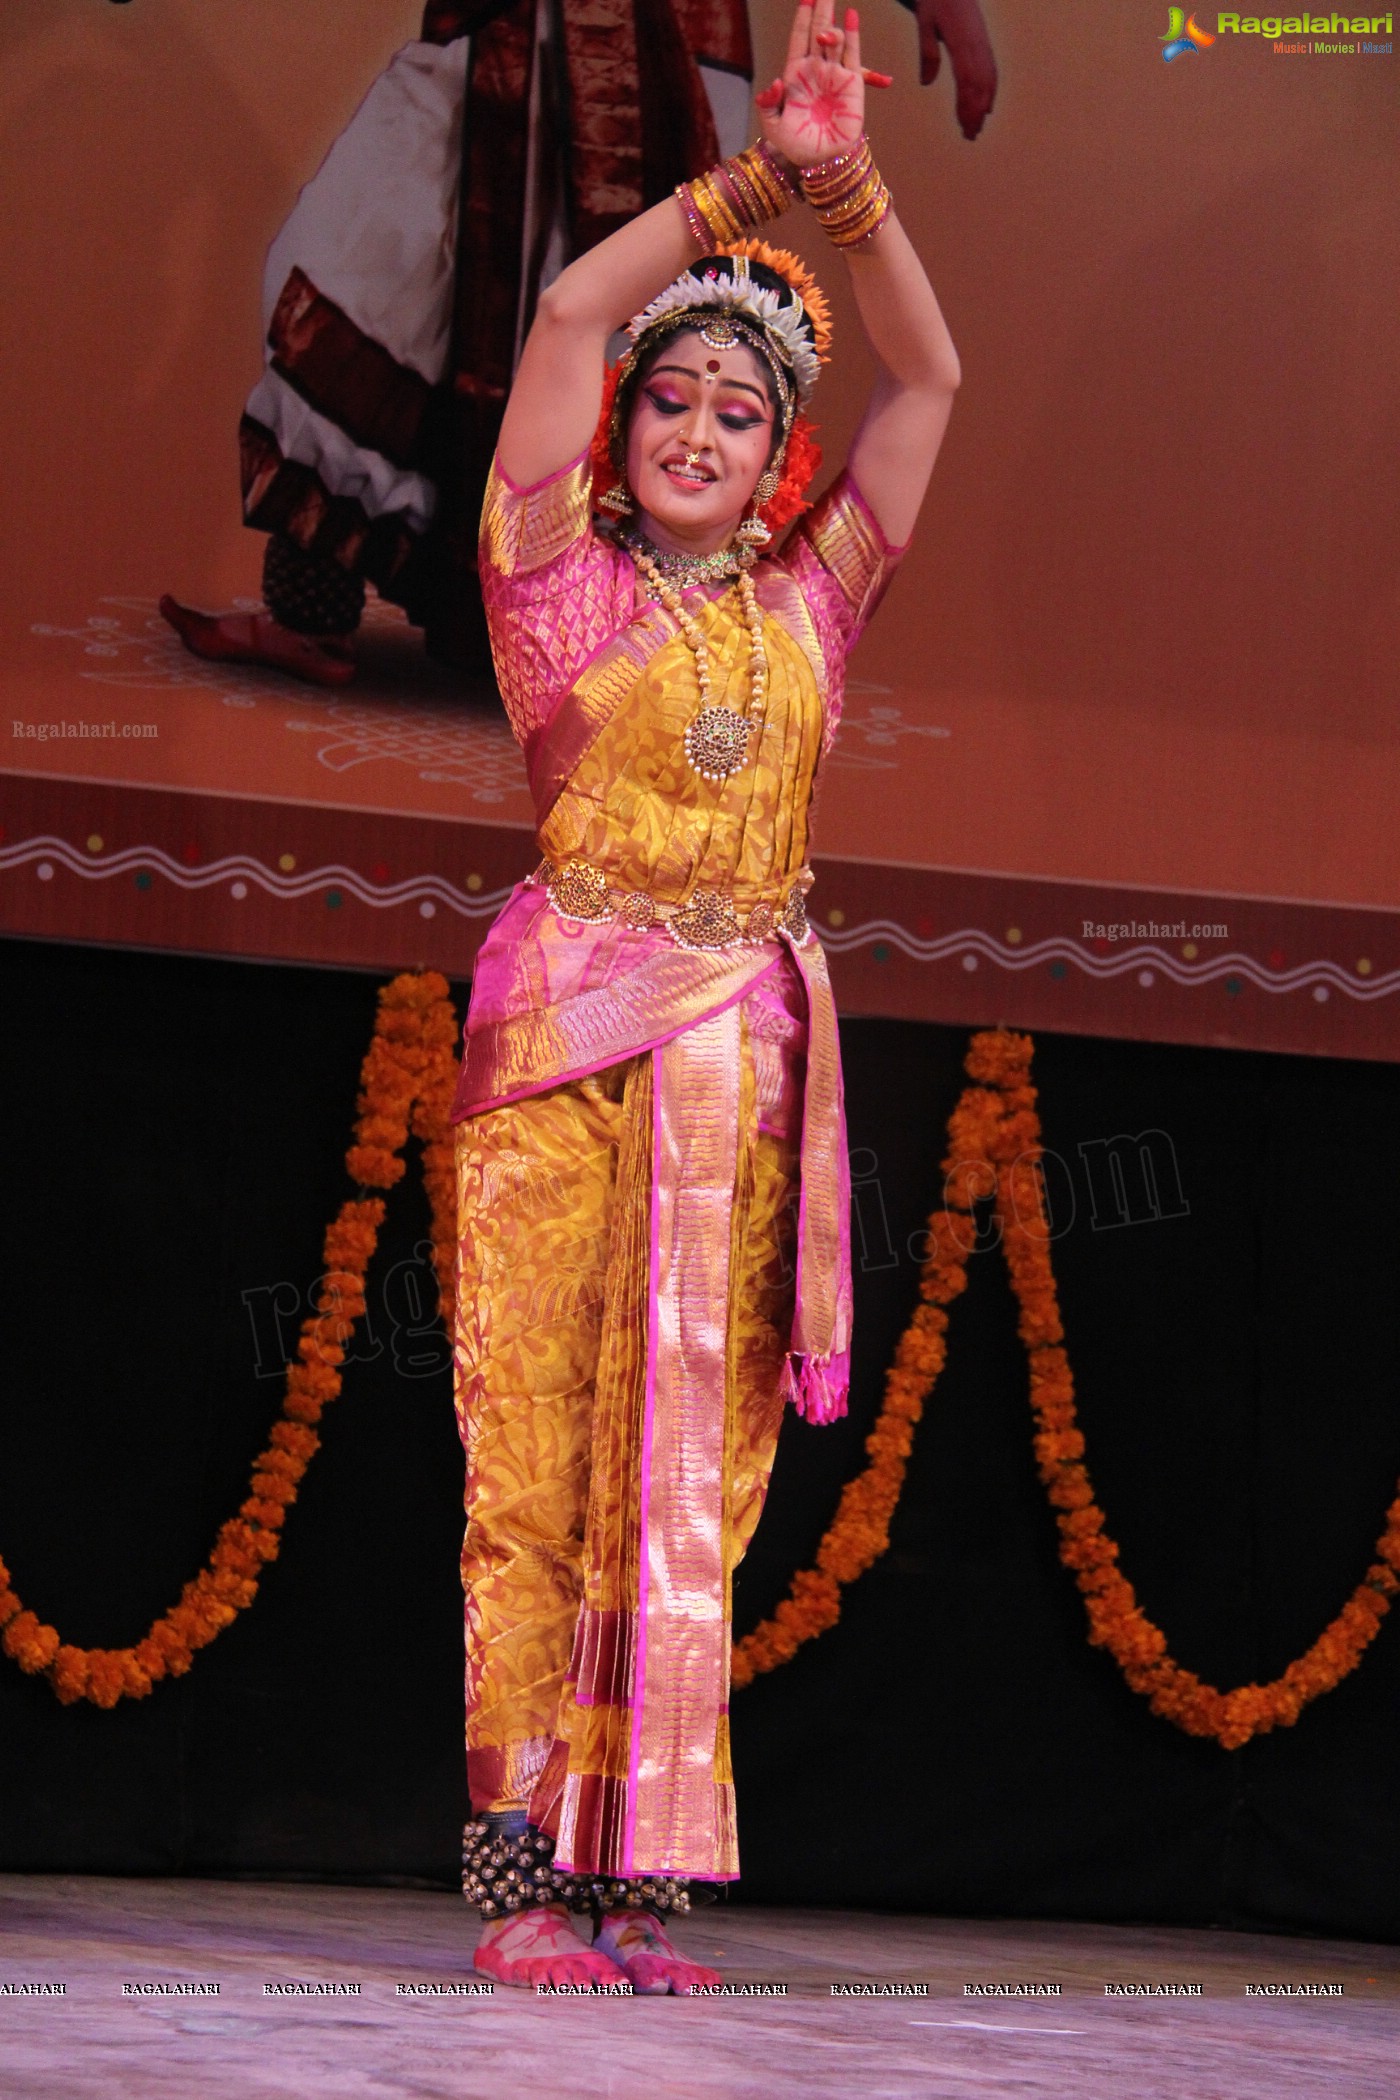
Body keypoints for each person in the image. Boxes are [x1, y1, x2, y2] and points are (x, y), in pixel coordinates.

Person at [451, 0, 959, 1993]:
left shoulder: (810, 602)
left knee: (695, 1472)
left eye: (736, 416)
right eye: (672, 402)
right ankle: (519, 1879)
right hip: (563, 1051)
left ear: (778, 459)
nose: (689, 431)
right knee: (536, 1459)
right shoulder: (548, 583)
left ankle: (636, 1879)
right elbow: (570, 316)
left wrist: (859, 201)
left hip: (739, 1065)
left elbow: (934, 371)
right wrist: (745, 193)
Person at [157, 0, 991, 691]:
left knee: (613, 333)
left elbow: (927, 382)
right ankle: (315, 611)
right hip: (501, 29)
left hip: (657, 42)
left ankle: (590, 639)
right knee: (362, 267)